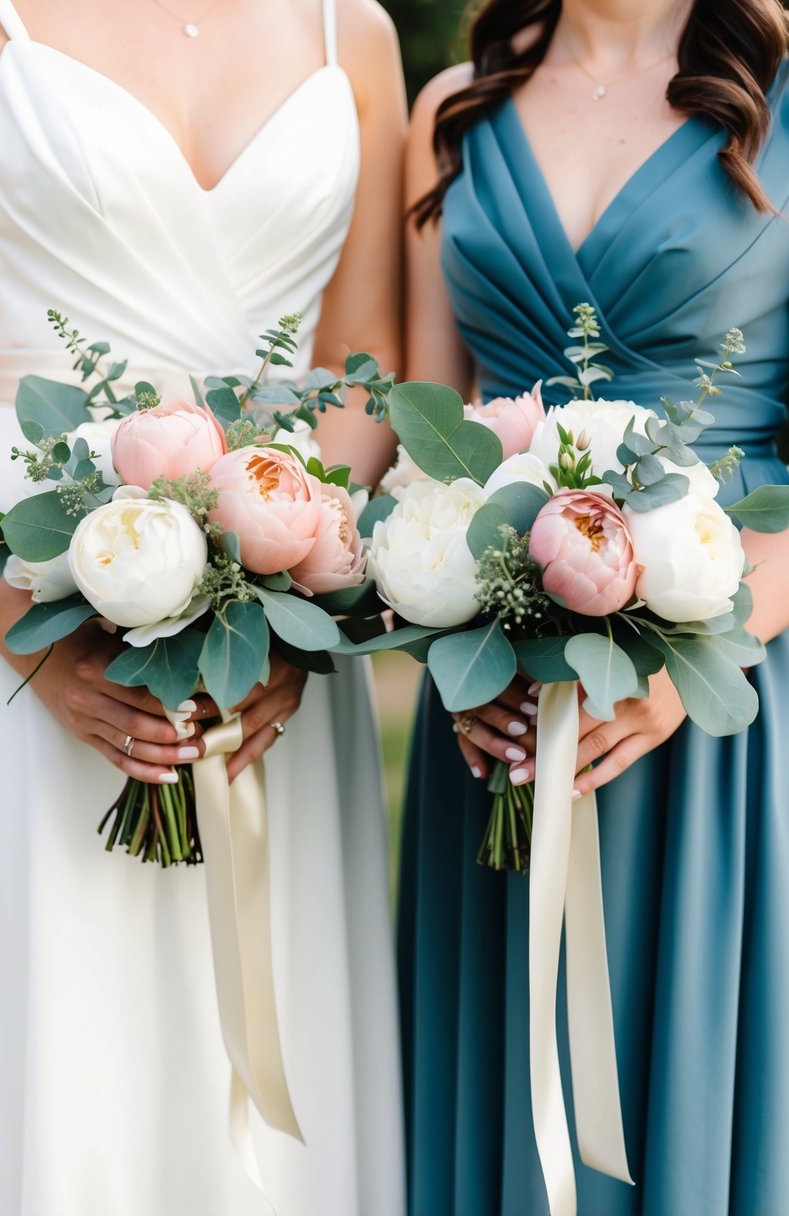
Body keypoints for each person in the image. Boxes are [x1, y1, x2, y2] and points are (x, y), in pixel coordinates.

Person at [0, 1, 406, 1213]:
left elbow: (367, 355)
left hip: (276, 622)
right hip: (14, 584)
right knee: (61, 1006)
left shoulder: (349, 32)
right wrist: (32, 648)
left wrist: (292, 582)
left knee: (260, 1035)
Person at [398, 1, 789, 1212]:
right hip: (497, 714)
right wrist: (451, 640)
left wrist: (684, 665)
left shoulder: (778, 90)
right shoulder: (454, 106)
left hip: (723, 696)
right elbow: (427, 436)